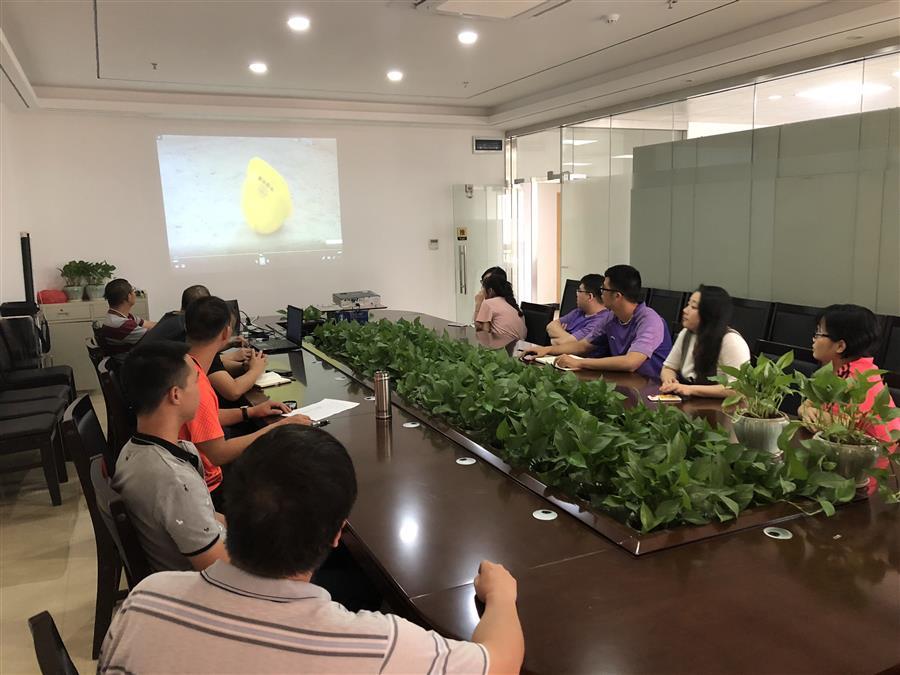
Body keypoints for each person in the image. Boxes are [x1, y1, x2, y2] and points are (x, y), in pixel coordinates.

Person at [100, 426, 525, 674]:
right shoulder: (379, 646)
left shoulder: (144, 601)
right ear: (338, 533)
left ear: (227, 510)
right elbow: (500, 664)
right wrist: (501, 596)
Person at [181, 296, 311, 511]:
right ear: (226, 333)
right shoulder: (197, 383)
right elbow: (219, 453)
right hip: (207, 490)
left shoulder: (185, 364)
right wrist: (279, 427)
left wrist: (250, 412)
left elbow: (204, 417)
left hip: (192, 476)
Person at [115, 341, 228, 572]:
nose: (200, 389)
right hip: (203, 584)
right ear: (176, 395)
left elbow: (204, 516)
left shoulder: (132, 451)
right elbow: (221, 570)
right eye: (196, 381)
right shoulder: (175, 481)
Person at [526, 265, 672, 378]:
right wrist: (547, 350)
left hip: (652, 388)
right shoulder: (611, 317)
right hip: (623, 380)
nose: (600, 293)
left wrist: (580, 363)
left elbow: (631, 362)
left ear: (617, 296)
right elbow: (583, 346)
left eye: (604, 289)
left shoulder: (650, 320)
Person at [800, 304, 899, 459]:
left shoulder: (860, 377)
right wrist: (806, 412)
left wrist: (815, 416)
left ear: (840, 346)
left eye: (819, 333)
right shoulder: (831, 370)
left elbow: (843, 425)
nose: (813, 339)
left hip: (873, 459)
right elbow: (807, 406)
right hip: (843, 449)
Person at [659, 285, 751, 398]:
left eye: (693, 307)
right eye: (688, 304)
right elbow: (669, 367)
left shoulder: (731, 341)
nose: (685, 310)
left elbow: (739, 388)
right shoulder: (686, 333)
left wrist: (690, 389)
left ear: (709, 313)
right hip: (691, 402)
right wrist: (669, 380)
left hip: (719, 406)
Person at [96, 278, 156, 355]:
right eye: (133, 291)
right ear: (129, 296)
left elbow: (148, 324)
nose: (135, 293)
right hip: (129, 361)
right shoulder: (120, 324)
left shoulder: (119, 316)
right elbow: (154, 338)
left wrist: (168, 324)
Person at [546, 273, 608, 345]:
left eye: (579, 291)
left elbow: (569, 345)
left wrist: (556, 337)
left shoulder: (600, 321)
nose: (576, 294)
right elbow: (551, 326)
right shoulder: (579, 311)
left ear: (589, 296)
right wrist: (568, 338)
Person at [475, 274, 527, 341]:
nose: (481, 291)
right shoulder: (509, 302)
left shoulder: (488, 303)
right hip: (520, 344)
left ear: (490, 290)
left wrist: (478, 303)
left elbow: (483, 333)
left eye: (482, 288)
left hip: (503, 345)